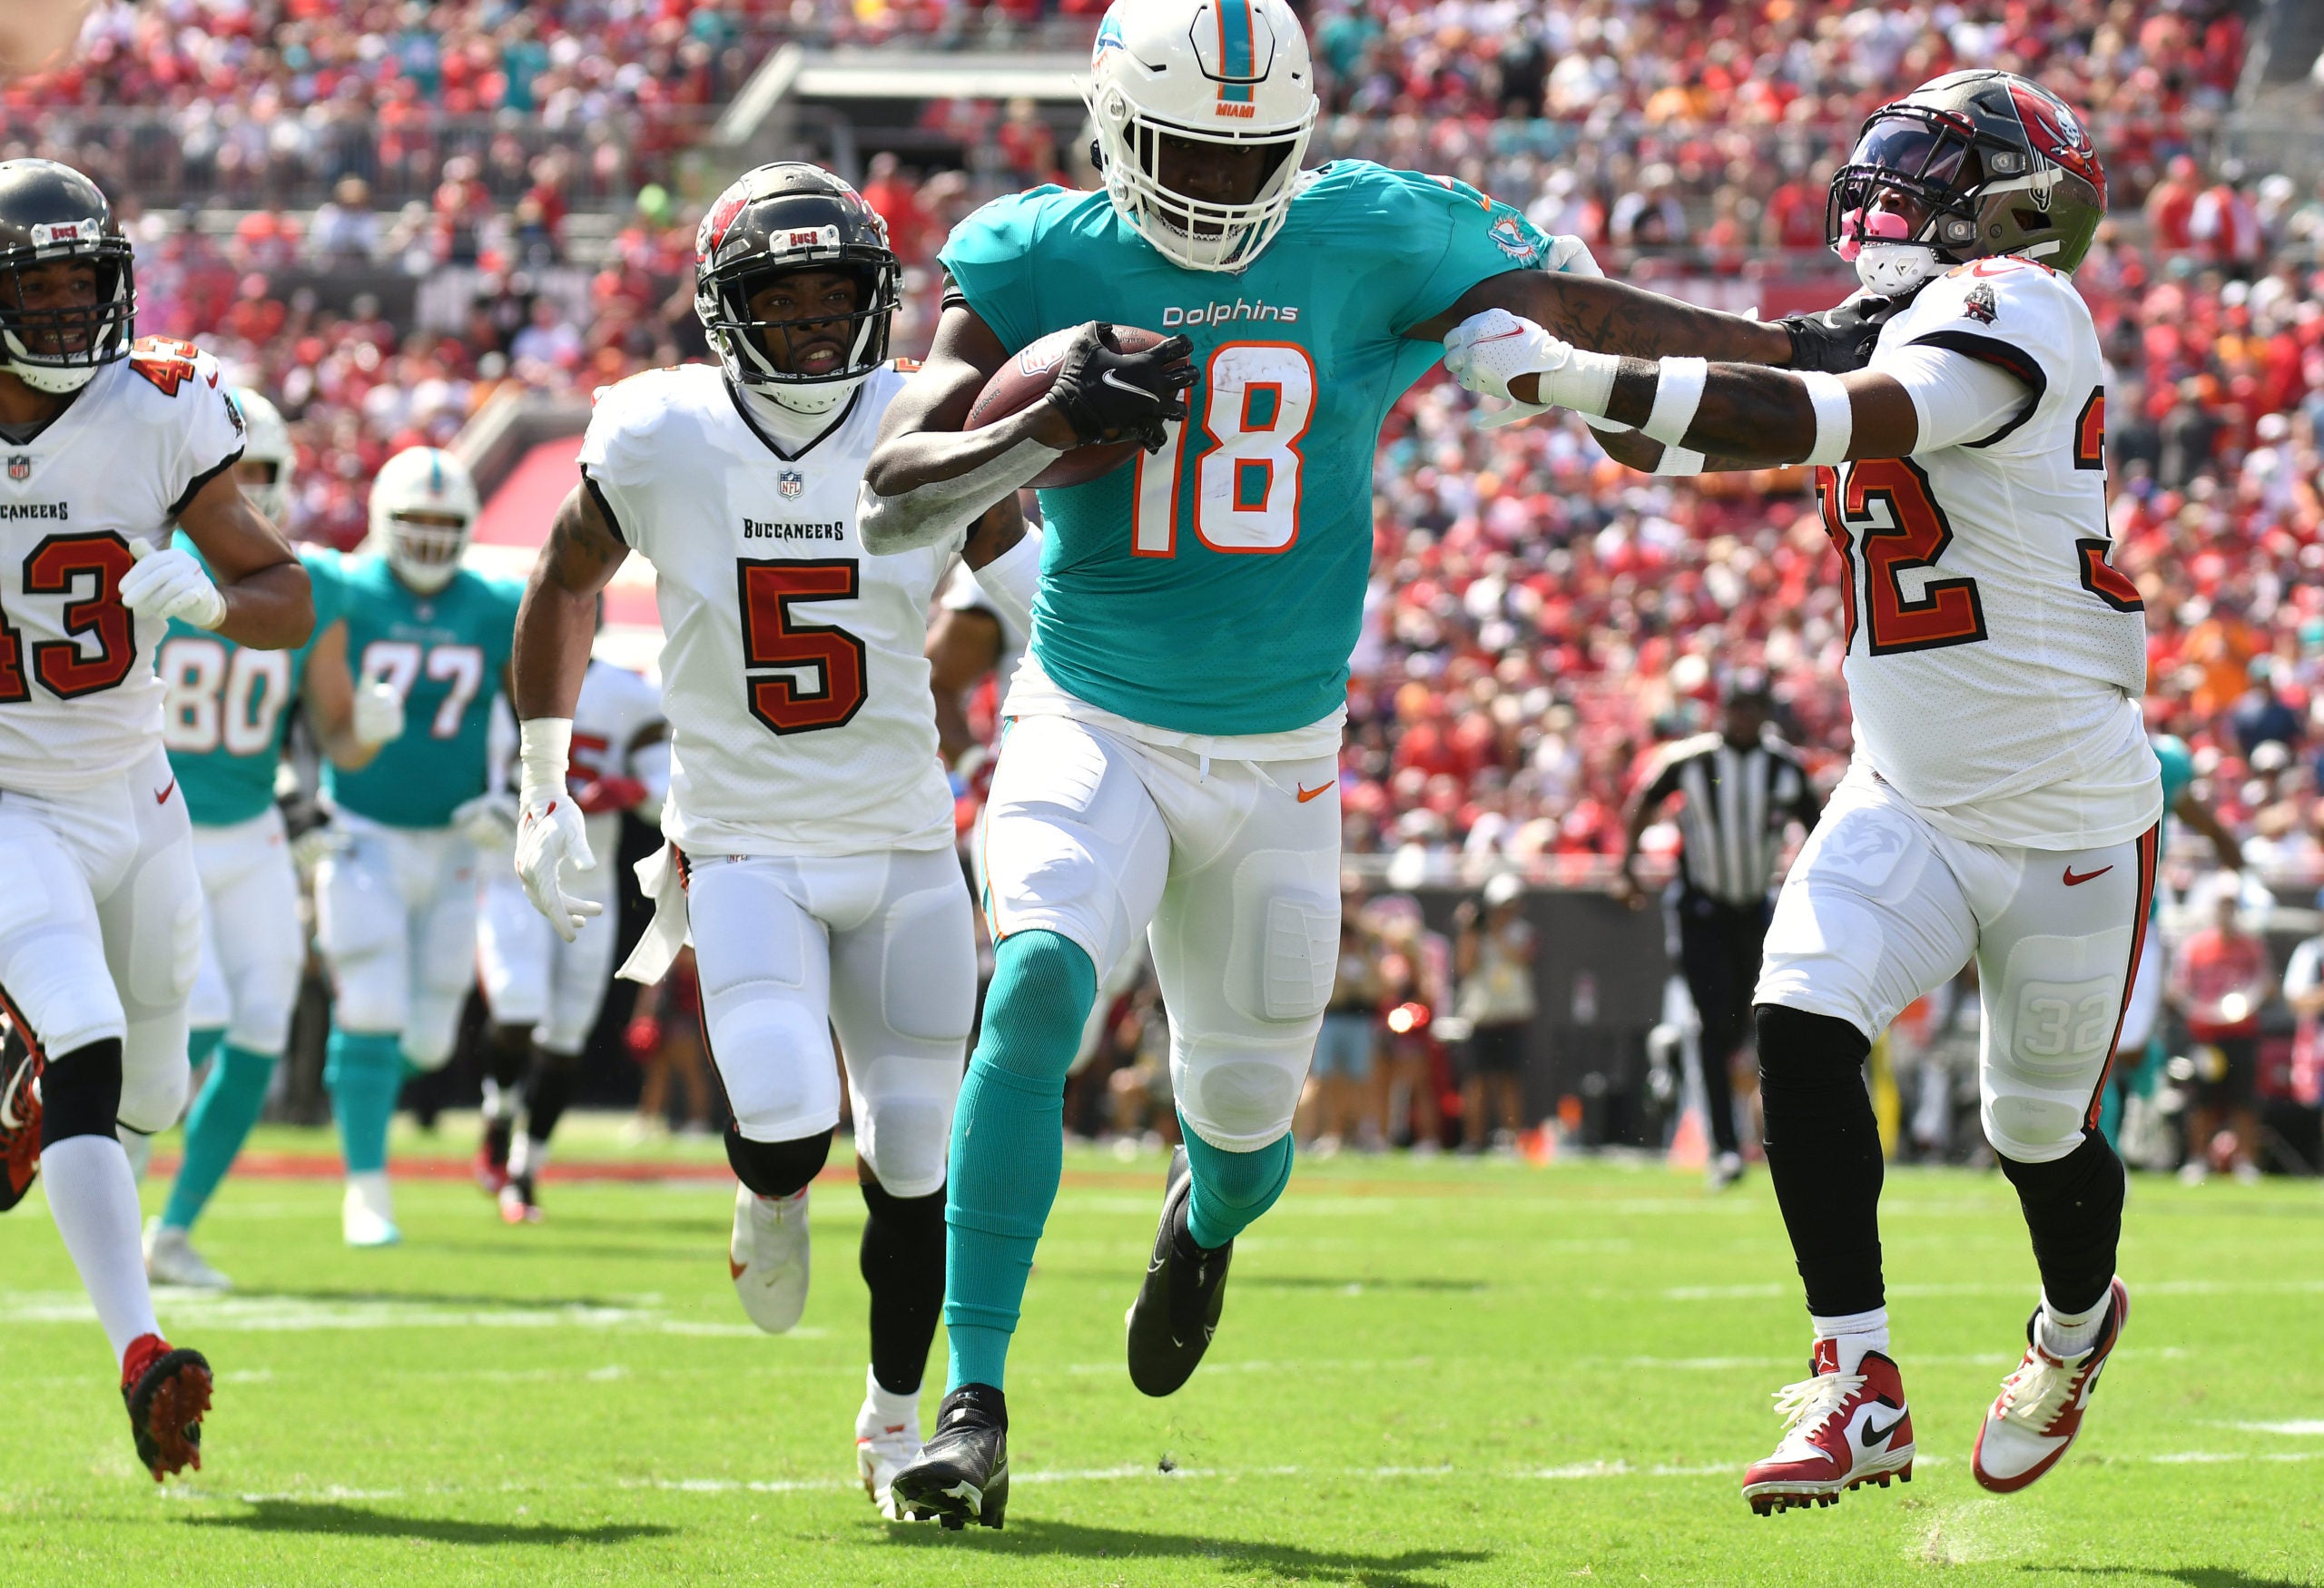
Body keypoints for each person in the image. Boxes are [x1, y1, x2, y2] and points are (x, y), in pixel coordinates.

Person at [852, 0, 1867, 1526]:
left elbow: (1582, 312)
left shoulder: (1374, 230)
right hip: (1094, 708)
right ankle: (972, 1400)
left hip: (1283, 750)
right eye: (1191, 145)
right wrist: (1043, 422)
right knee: (1041, 977)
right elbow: (894, 496)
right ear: (1117, 124)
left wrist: (1787, 345)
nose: (1218, 181)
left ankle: (1207, 1214)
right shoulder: (1032, 255)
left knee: (1251, 1125)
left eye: (1249, 151)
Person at [1443, 70, 2154, 1511]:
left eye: (1933, 169)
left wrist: (1573, 371)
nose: (1891, 193)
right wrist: (1578, 309)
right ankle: (1858, 1379)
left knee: (2037, 1133)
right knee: (1796, 1017)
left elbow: (1836, 415)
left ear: (2018, 205)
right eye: (1887, 163)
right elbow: (1735, 385)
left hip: (2070, 811)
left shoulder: (2024, 307)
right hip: (1908, 788)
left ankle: (2074, 1332)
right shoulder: (1905, 312)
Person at [503, 163, 1037, 1520]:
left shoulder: (924, 419)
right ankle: (770, 1191)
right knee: (791, 1116)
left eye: (836, 298)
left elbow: (1034, 593)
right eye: (783, 302)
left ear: (879, 300)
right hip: (741, 840)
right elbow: (566, 575)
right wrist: (541, 776)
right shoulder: (659, 431)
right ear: (724, 311)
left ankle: (893, 1422)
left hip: (907, 839)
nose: (813, 327)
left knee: (916, 1150)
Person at [0, 159, 314, 1478]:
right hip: (10, 796)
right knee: (85, 1032)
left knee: (155, 1090)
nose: (73, 314)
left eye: (87, 285)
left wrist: (209, 602)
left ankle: (38, 1120)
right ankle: (141, 1350)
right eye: (43, 289)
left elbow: (286, 596)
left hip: (137, 789)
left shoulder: (161, 408)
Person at [145, 390, 408, 1287]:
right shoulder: (145, 557)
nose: (249, 492)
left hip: (252, 829)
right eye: (235, 474)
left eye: (263, 475)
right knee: (205, 1017)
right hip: (159, 820)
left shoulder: (311, 584)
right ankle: (98, 1144)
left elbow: (335, 734)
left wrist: (368, 729)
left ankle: (172, 1231)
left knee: (260, 1028)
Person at [314, 445, 520, 1248]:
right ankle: (367, 1188)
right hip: (362, 825)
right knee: (370, 1003)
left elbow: (531, 704)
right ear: (382, 521)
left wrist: (514, 793)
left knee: (431, 1037)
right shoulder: (347, 589)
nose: (430, 538)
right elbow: (303, 693)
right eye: (415, 522)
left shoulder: (493, 601)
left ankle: (349, 1087)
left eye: (445, 523)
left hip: (453, 837)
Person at [474, 652, 666, 1222]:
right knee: (516, 1008)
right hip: (515, 866)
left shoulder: (631, 694)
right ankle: (497, 1114)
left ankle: (525, 1171)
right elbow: (477, 768)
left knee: (566, 1037)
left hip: (590, 873)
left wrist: (627, 788)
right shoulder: (502, 673)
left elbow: (667, 787)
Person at [1617, 673, 1821, 1188]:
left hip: (1755, 909)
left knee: (1755, 1024)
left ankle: (1762, 1135)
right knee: (1713, 1025)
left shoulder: (1784, 766)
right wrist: (1627, 865)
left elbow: (1818, 829)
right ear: (1723, 710)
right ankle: (1725, 1148)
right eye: (1739, 707)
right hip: (1701, 909)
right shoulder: (1691, 761)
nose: (1746, 717)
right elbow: (1643, 801)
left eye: (1754, 707)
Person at [2098, 733, 2242, 1151]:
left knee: (2124, 1044)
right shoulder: (2072, 737)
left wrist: (2229, 848)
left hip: (2139, 917)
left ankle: (2146, 1094)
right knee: (2091, 1044)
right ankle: (2106, 1141)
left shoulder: (2165, 758)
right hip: (2075, 908)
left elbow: (2202, 819)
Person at [2169, 880, 2273, 1184]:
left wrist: (2245, 1004)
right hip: (2205, 1034)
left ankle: (2246, 1161)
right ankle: (2198, 1159)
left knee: (2244, 1100)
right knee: (2200, 1099)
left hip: (2241, 1033)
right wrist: (2201, 1009)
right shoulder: (2196, 946)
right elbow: (2178, 989)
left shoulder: (2251, 945)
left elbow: (2265, 984)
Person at [1452, 873, 1536, 1151]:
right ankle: (1474, 1139)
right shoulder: (1476, 934)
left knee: (1509, 1080)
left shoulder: (1522, 932)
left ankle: (1512, 1137)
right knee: (1476, 1081)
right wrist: (1470, 931)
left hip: (1511, 1015)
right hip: (1481, 1015)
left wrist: (1496, 931)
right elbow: (1464, 966)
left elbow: (1523, 957)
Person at [1302, 911, 1382, 1153]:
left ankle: (1358, 1132)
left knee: (1360, 1079)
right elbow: (1331, 994)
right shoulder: (1328, 957)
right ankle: (1328, 1132)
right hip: (1332, 1019)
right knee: (1326, 1079)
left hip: (1359, 1021)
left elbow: (1375, 991)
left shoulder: (1367, 959)